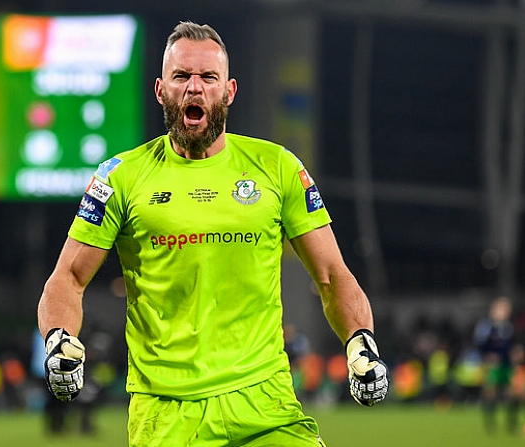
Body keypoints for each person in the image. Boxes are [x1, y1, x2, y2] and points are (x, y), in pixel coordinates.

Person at [37, 21, 389, 447]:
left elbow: (333, 275)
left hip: (266, 406)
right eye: (181, 76)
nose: (194, 88)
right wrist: (58, 339)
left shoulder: (278, 167)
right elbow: (68, 279)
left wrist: (361, 342)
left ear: (229, 91)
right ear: (161, 90)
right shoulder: (120, 177)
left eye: (208, 77)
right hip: (166, 416)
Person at [473, 295, 517, 435]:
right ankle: (490, 426)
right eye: (502, 308)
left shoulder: (509, 327)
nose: (505, 311)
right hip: (492, 366)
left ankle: (511, 425)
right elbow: (480, 344)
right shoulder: (486, 326)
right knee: (491, 393)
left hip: (507, 365)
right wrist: (488, 356)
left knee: (513, 394)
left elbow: (513, 345)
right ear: (494, 310)